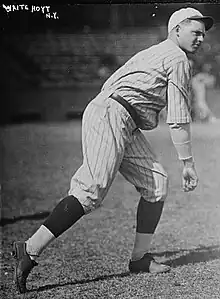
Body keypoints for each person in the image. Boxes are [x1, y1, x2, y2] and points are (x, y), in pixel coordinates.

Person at [12, 7, 213, 294]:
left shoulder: (154, 52)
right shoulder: (177, 57)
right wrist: (188, 162)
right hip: (113, 114)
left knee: (156, 184)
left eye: (203, 35)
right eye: (195, 32)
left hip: (120, 116)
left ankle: (140, 259)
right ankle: (28, 249)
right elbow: (178, 117)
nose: (200, 39)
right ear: (176, 29)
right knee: (91, 190)